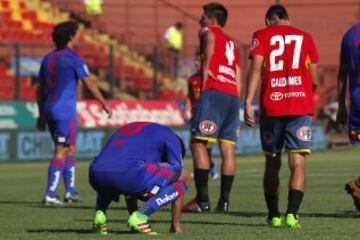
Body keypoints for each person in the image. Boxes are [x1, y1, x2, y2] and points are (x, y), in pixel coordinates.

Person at [244, 4, 319, 228]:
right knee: (298, 164)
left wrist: (248, 101)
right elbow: (314, 78)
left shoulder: (261, 35)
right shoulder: (306, 37)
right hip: (299, 107)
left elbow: (256, 68)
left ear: (268, 21)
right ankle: (292, 214)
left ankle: (274, 215)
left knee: (272, 163)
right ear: (288, 19)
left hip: (272, 107)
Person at [37, 21, 112, 206]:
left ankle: (70, 191)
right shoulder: (73, 57)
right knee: (61, 149)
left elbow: (39, 89)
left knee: (70, 148)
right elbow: (89, 83)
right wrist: (103, 103)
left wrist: (40, 113)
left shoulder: (48, 59)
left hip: (50, 109)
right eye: (76, 34)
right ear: (71, 36)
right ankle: (50, 194)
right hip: (64, 110)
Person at [183, 2, 241, 213]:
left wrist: (206, 69)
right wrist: (239, 99)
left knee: (198, 144)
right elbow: (237, 72)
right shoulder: (233, 44)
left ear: (213, 20)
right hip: (233, 97)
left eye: (204, 17)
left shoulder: (208, 31)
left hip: (215, 93)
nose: (201, 20)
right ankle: (224, 202)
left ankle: (203, 200)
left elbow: (209, 38)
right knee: (227, 148)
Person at [89, 122, 191, 235]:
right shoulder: (172, 138)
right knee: (184, 175)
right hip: (129, 175)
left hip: (95, 173)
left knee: (119, 172)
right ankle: (142, 216)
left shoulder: (137, 130)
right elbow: (177, 168)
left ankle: (100, 214)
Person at [183, 49, 219, 180]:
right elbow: (189, 96)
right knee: (195, 146)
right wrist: (186, 107)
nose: (196, 63)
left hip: (209, 116)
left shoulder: (210, 77)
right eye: (195, 60)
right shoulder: (192, 79)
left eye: (198, 60)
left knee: (206, 146)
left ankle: (212, 166)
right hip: (195, 116)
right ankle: (199, 169)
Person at [336, 22, 360, 212]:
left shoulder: (349, 34)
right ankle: (359, 185)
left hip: (357, 100)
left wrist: (342, 105)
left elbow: (342, 74)